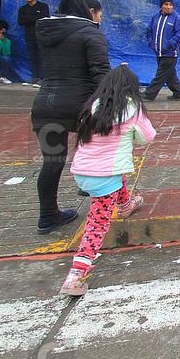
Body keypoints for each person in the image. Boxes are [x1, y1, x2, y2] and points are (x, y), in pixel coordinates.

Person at [60, 65, 155, 295]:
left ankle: (124, 205)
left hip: (82, 171)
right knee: (97, 224)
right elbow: (148, 137)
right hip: (103, 175)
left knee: (118, 174)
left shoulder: (95, 105)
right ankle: (76, 274)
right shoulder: (132, 109)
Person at [31, 0, 111, 234]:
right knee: (95, 150)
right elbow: (101, 73)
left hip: (45, 105)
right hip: (81, 107)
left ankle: (47, 216)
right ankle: (91, 190)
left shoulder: (45, 32)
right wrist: (109, 104)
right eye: (99, 13)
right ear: (89, 12)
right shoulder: (90, 33)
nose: (100, 18)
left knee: (52, 162)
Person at [143, 0, 180, 101]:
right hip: (158, 52)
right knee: (170, 74)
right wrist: (152, 43)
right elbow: (149, 32)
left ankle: (149, 94)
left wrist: (169, 45)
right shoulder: (155, 18)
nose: (168, 7)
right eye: (166, 4)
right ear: (161, 6)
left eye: (170, 5)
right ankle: (179, 92)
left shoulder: (175, 18)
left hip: (170, 53)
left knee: (160, 75)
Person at [17, 0, 50, 86]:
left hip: (41, 35)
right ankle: (35, 78)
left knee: (42, 57)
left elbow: (44, 18)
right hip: (29, 36)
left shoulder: (43, 6)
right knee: (32, 57)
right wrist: (35, 18)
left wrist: (29, 18)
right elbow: (20, 22)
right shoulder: (23, 9)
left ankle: (44, 79)